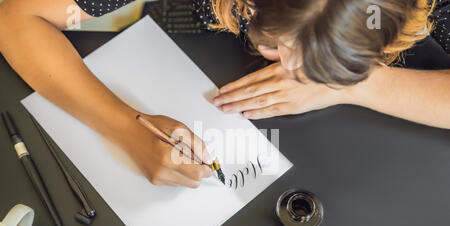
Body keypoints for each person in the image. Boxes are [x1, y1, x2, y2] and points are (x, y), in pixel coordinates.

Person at [0, 0, 448, 188]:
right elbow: (15, 17)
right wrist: (124, 127)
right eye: (278, 46)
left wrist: (361, 84)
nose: (293, 73)